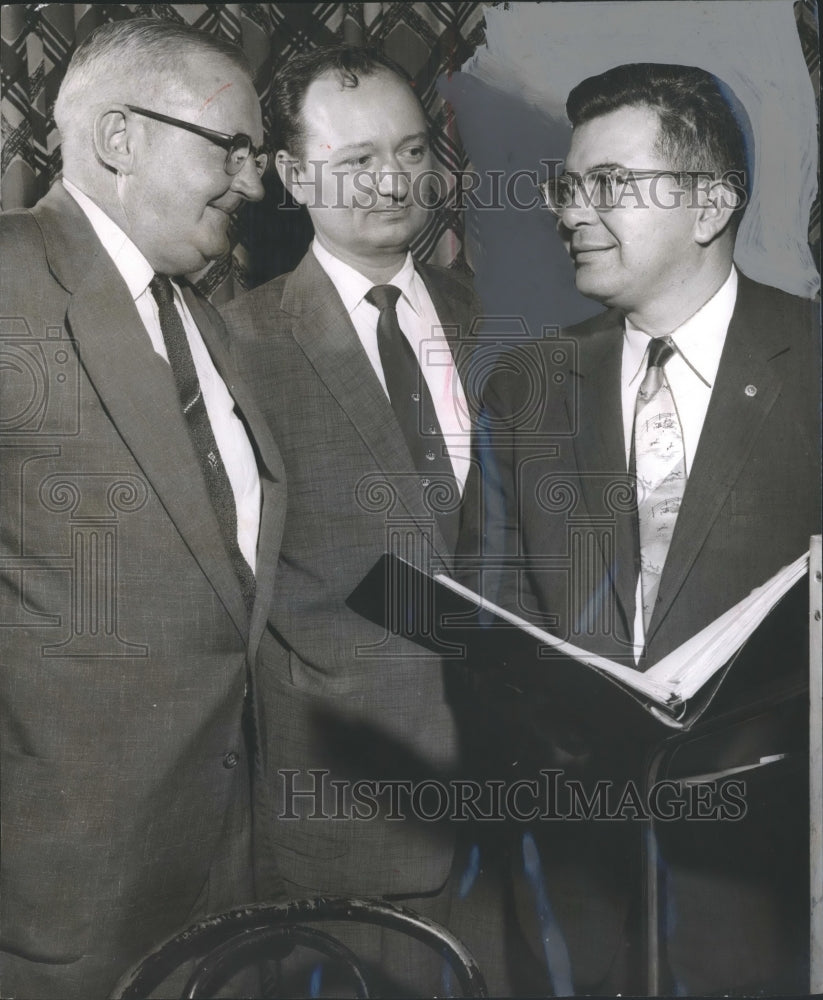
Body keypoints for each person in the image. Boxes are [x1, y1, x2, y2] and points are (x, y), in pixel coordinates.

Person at [460, 63, 820, 993]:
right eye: (566, 186)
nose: (570, 211)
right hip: (575, 876)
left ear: (709, 206)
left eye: (608, 185)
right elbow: (484, 620)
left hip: (773, 876)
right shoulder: (526, 385)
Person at [0, 18, 286, 1000]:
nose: (253, 181)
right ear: (119, 138)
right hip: (64, 905)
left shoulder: (206, 320)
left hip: (229, 884)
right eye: (232, 149)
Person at [221, 44, 502, 995]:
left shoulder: (503, 322)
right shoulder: (232, 346)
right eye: (356, 161)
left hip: (526, 805)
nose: (395, 181)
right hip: (347, 811)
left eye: (414, 151)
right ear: (293, 177)